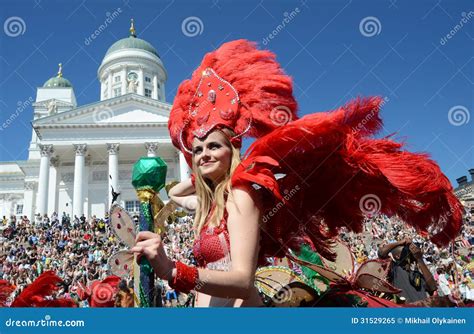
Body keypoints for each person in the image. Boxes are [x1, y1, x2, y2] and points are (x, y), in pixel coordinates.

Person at [130, 40, 463, 307]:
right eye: (197, 149)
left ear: (233, 148)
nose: (203, 153)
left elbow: (243, 279)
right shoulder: (212, 204)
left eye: (214, 146)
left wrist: (172, 270)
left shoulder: (241, 197)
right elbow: (175, 194)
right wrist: (202, 176)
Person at [378, 239, 437, 303]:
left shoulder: (416, 274)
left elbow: (433, 287)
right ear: (397, 256)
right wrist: (402, 242)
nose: (410, 250)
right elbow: (381, 253)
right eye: (406, 250)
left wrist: (419, 259)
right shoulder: (394, 269)